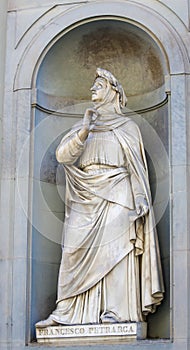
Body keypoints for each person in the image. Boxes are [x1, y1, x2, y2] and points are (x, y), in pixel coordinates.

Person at [36, 68, 164, 327]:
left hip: (118, 191)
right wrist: (84, 131)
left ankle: (115, 311)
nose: (93, 89)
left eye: (99, 84)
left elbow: (136, 168)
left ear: (113, 91)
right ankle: (68, 310)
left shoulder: (128, 127)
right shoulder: (82, 125)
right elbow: (62, 157)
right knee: (73, 249)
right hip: (85, 194)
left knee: (116, 250)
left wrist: (140, 199)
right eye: (93, 85)